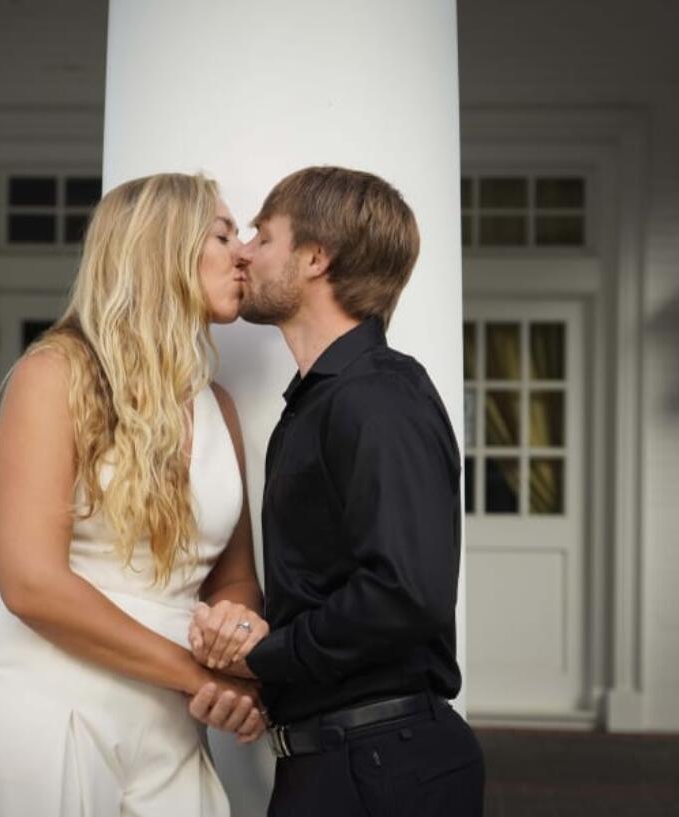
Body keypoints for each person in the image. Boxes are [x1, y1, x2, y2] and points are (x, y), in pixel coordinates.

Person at [0, 172, 271, 817]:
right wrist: (201, 678)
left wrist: (235, 628)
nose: (243, 252)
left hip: (169, 729)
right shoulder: (53, 375)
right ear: (162, 248)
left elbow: (235, 575)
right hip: (45, 715)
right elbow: (31, 584)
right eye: (222, 234)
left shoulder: (217, 404)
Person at [188, 166, 485, 816]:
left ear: (315, 257)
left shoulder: (377, 396)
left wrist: (263, 656)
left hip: (383, 768)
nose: (243, 251)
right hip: (341, 762)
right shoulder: (325, 401)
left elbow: (406, 594)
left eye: (262, 237)